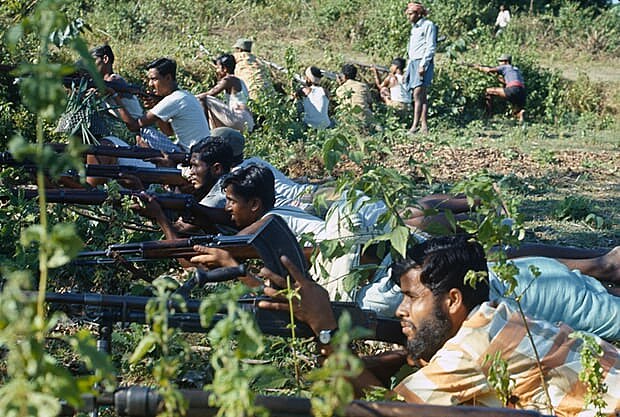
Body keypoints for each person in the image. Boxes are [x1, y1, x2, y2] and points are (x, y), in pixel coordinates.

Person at [258, 236, 620, 415]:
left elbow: (383, 411)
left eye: (412, 297)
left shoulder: (471, 348)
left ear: (453, 300)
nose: (401, 311)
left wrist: (325, 330)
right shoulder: (495, 316)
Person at [110, 57, 210, 151]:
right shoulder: (184, 95)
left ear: (168, 78)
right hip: (198, 151)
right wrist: (156, 106)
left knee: (145, 131)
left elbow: (134, 126)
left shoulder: (173, 99)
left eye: (154, 79)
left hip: (191, 154)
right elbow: (168, 132)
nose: (150, 84)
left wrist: (115, 97)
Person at [196, 54, 255, 133]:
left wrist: (191, 97)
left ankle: (204, 132)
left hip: (239, 118)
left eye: (218, 67)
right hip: (248, 121)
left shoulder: (228, 79)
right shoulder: (239, 80)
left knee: (204, 99)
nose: (217, 70)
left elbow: (210, 93)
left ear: (225, 69)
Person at [404, 2, 437, 135]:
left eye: (411, 14)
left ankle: (414, 125)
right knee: (420, 95)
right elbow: (411, 49)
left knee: (418, 93)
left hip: (422, 62)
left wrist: (423, 64)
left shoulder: (428, 25)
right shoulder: (414, 28)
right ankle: (423, 125)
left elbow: (430, 46)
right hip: (413, 62)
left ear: (418, 14)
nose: (409, 17)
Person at [474, 54, 526, 123]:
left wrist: (479, 68)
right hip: (522, 92)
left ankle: (488, 115)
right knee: (515, 112)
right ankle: (521, 114)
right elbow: (507, 81)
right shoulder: (516, 69)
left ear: (506, 62)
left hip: (512, 89)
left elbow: (489, 70)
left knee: (488, 91)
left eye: (501, 61)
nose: (499, 63)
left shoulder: (505, 67)